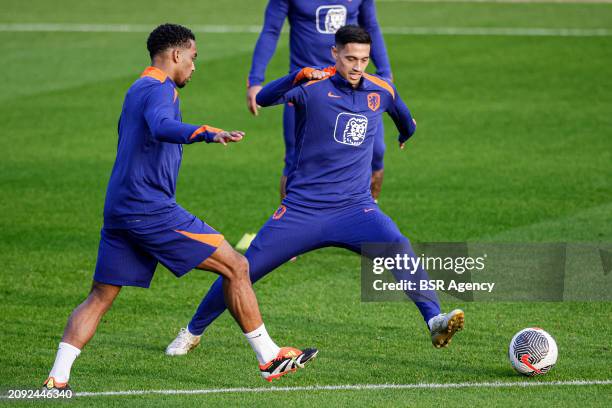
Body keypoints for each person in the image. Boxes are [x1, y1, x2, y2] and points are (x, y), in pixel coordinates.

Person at [42, 23, 317, 390]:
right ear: (176, 54)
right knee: (236, 266)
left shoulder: (137, 88)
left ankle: (56, 379)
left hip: (120, 208)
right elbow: (160, 127)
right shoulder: (160, 90)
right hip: (149, 208)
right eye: (193, 57)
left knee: (100, 296)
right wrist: (205, 132)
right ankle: (269, 357)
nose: (194, 66)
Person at [167, 25, 464, 357]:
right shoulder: (311, 86)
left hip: (356, 209)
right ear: (334, 54)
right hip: (303, 211)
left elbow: (406, 121)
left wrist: (403, 135)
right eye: (350, 58)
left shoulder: (381, 90)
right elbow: (263, 98)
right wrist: (297, 76)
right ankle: (192, 331)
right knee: (243, 268)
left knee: (397, 245)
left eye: (364, 60)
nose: (357, 66)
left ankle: (434, 320)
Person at [246, 0, 392, 201]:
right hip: (307, 88)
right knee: (295, 161)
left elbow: (371, 26)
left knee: (376, 153)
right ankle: (288, 228)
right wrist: (255, 80)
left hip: (352, 83)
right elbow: (271, 30)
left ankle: (368, 214)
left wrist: (385, 71)